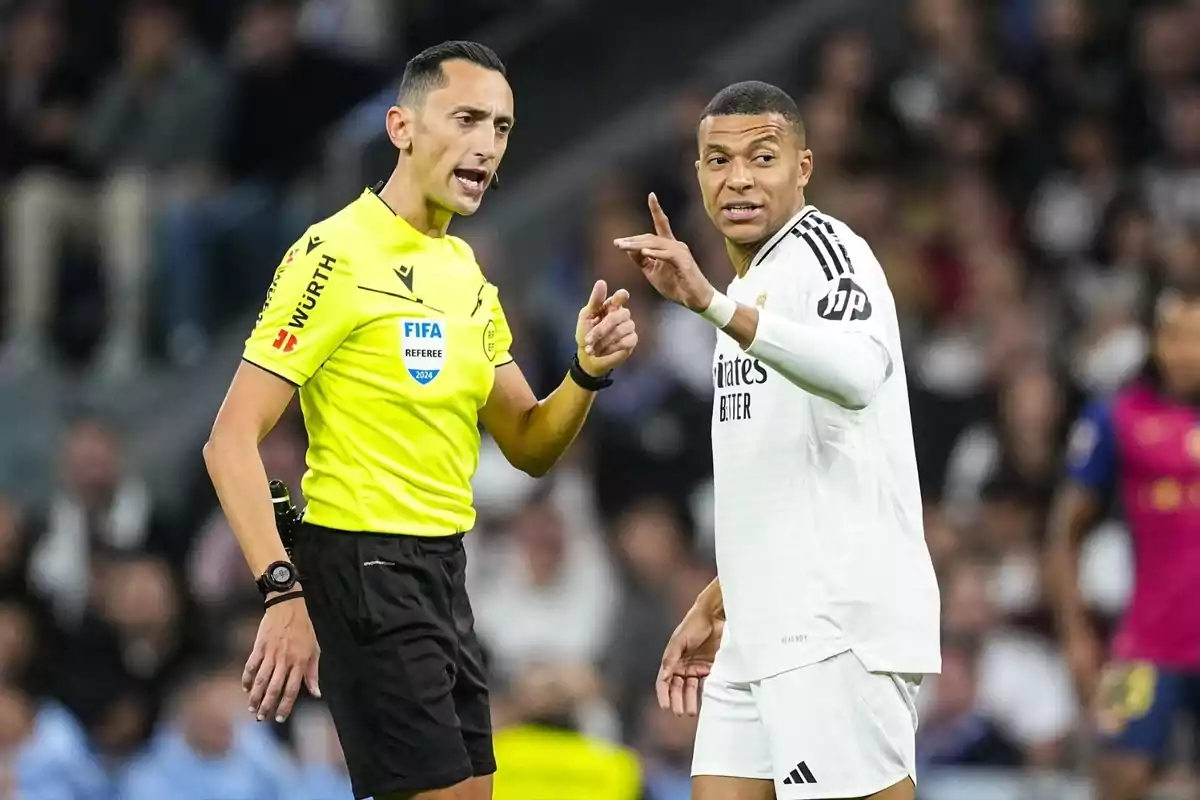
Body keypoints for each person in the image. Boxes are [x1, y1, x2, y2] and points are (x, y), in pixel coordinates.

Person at [203, 41, 639, 800]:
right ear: (401, 127)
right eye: (466, 118)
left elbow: (531, 442)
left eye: (501, 128)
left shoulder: (463, 271)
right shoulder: (334, 254)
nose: (486, 144)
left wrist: (586, 372)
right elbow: (230, 439)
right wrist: (281, 590)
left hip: (444, 568)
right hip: (364, 565)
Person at [614, 81, 941, 800]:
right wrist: (725, 594)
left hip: (835, 628)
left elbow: (858, 375)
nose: (738, 178)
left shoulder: (826, 252)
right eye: (717, 160)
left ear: (803, 168)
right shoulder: (753, 284)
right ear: (697, 174)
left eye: (762, 157)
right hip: (761, 626)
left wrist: (710, 304)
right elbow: (791, 475)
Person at [1047, 285, 1200, 800]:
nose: (1188, 352)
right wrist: (1075, 634)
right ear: (1153, 341)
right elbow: (1064, 532)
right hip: (1142, 648)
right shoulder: (1116, 419)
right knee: (1117, 781)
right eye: (1176, 336)